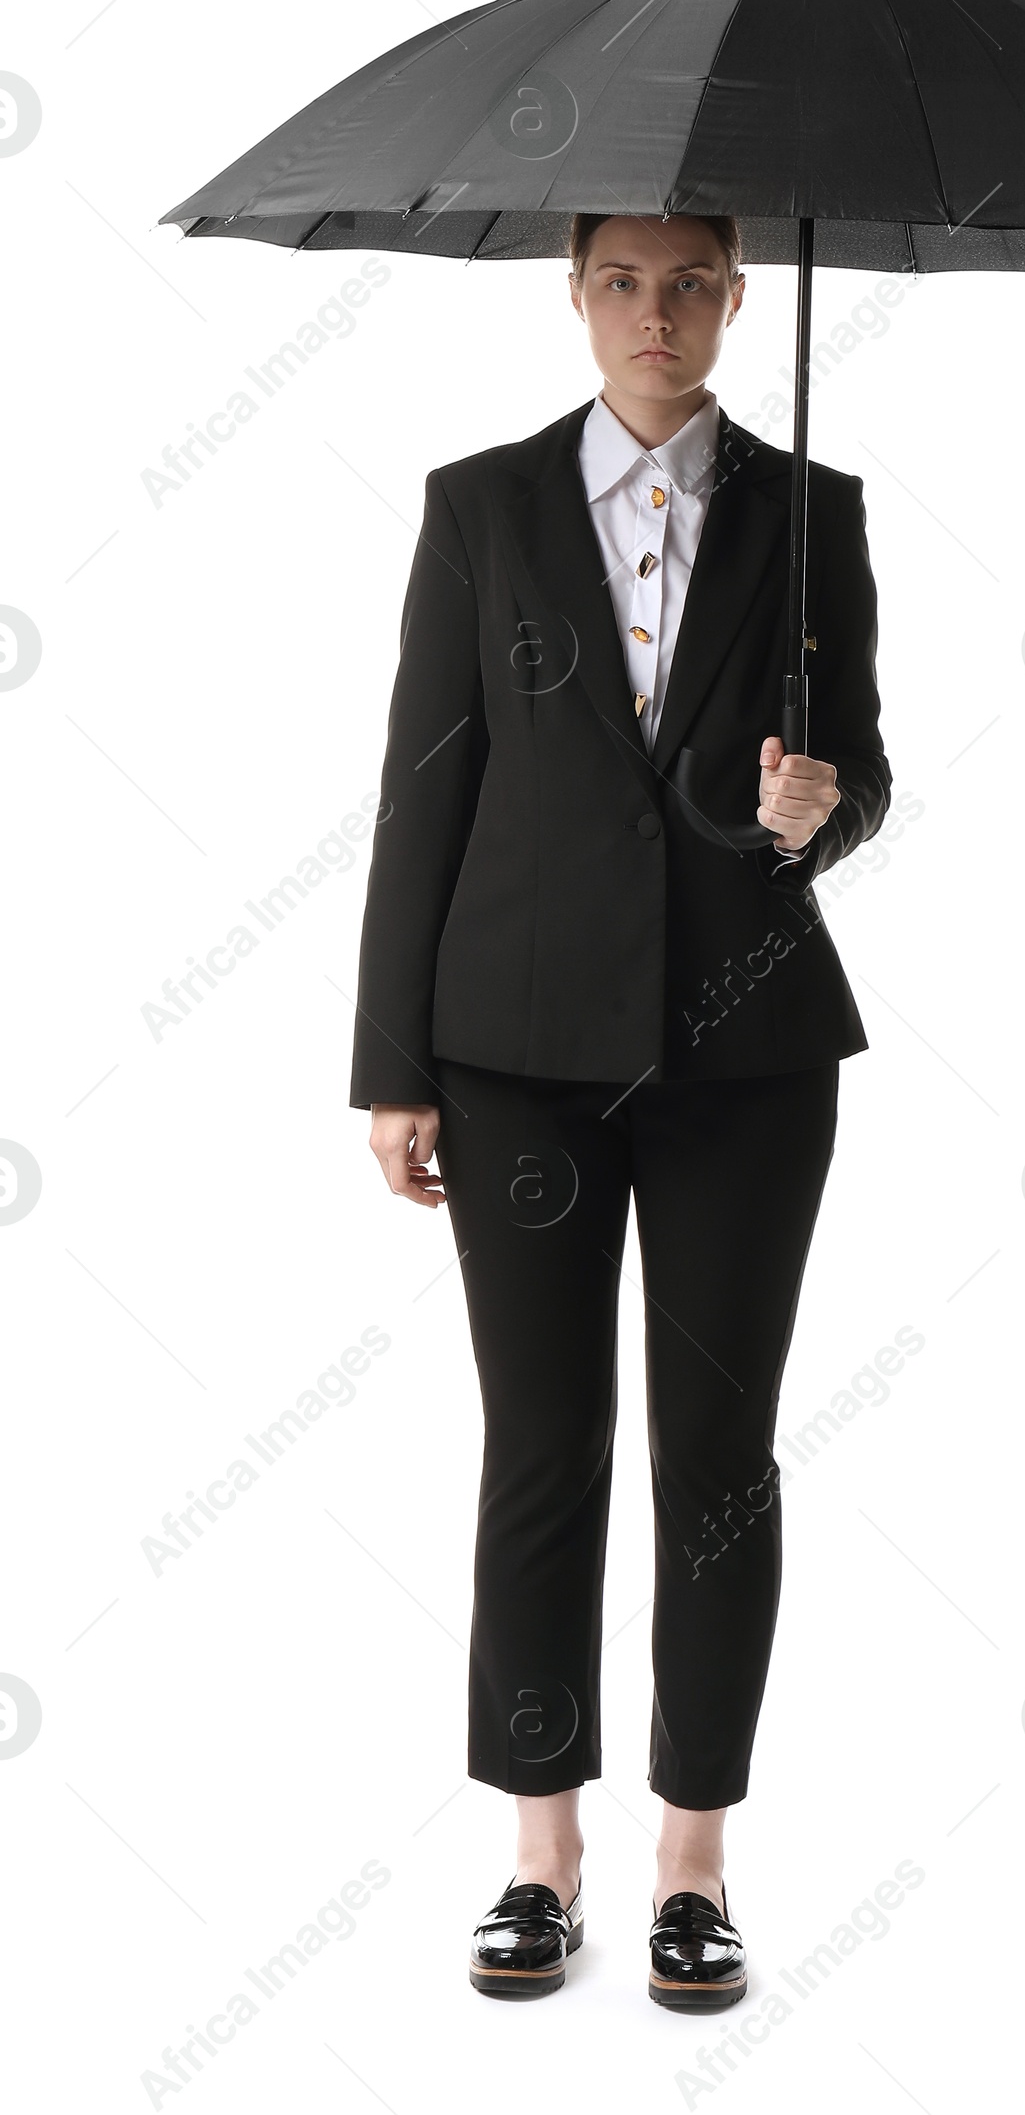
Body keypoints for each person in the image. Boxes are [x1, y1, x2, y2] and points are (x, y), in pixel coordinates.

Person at [348, 209, 893, 2008]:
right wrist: (392, 1061)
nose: (658, 315)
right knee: (542, 1446)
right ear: (576, 297)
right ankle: (539, 1843)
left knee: (719, 1470)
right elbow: (425, 783)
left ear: (741, 297)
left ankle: (692, 1860)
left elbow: (863, 771)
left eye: (694, 283)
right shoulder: (483, 505)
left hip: (746, 1055)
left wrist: (825, 804)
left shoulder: (819, 517)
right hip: (515, 1051)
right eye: (624, 283)